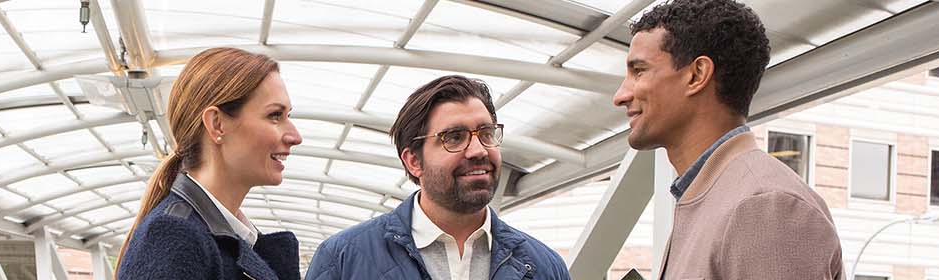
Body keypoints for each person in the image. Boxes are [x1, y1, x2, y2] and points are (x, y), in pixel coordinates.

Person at [614, 0, 844, 278]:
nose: (621, 96)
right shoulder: (713, 196)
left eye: (639, 71)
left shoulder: (763, 207)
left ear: (697, 75)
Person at [307, 75, 569, 280]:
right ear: (413, 161)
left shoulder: (544, 266)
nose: (478, 150)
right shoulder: (343, 259)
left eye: (486, 133)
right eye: (454, 137)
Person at [115, 47, 304, 280]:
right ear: (217, 124)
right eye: (275, 115)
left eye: (288, 116)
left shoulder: (217, 237)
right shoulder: (175, 238)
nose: (295, 136)